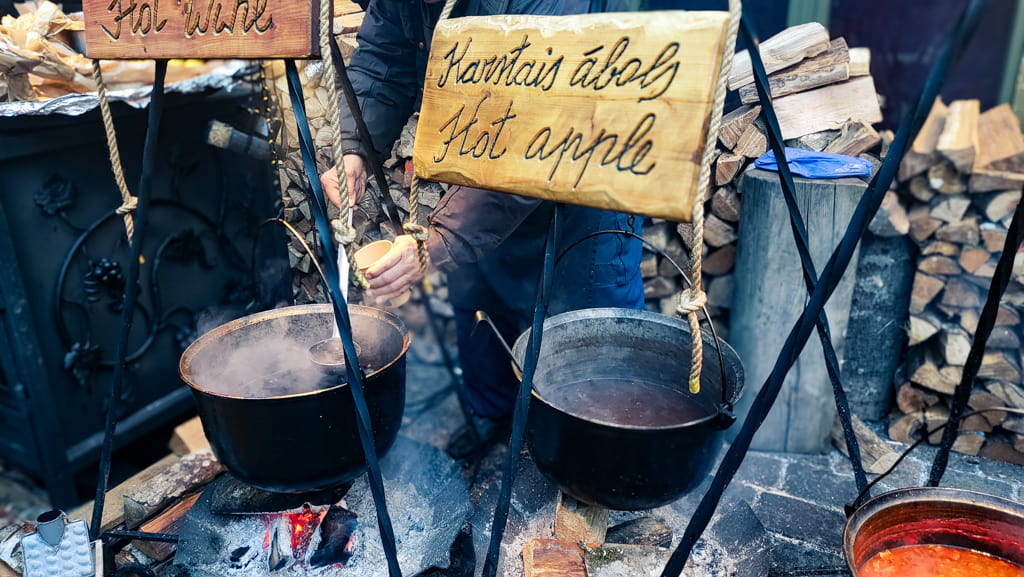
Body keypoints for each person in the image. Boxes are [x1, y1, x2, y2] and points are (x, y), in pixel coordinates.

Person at [321, 0, 645, 462]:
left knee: (587, 333)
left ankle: (594, 459)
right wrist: (354, 145)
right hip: (479, 155)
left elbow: (541, 123)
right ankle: (494, 417)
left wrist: (438, 242)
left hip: (583, 164)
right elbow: (385, 58)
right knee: (478, 299)